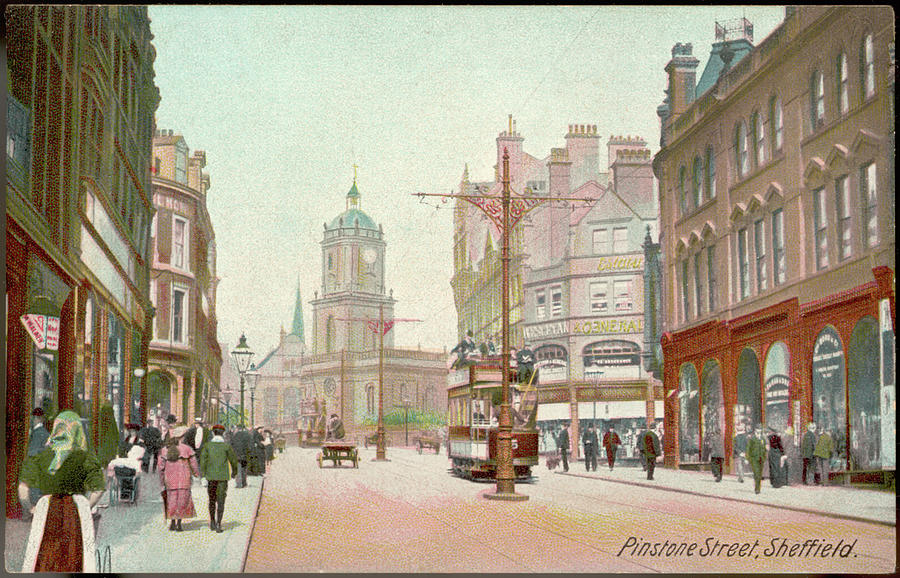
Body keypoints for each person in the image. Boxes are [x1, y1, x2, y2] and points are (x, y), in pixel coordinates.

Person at [18, 411, 106, 572]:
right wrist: (85, 505)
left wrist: (30, 508)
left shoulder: (41, 456)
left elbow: (23, 488)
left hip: (47, 510)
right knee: (74, 556)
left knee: (43, 553)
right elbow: (99, 489)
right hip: (74, 513)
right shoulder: (85, 458)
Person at [158, 425, 199, 531]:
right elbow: (194, 465)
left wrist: (162, 482)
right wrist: (196, 474)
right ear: (183, 436)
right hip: (184, 479)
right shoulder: (187, 449)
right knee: (182, 501)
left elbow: (161, 468)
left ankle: (172, 522)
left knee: (171, 500)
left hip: (170, 480)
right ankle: (179, 524)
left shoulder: (164, 450)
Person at [199, 424, 238, 533]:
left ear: (213, 433)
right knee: (221, 501)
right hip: (222, 478)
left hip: (210, 477)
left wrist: (203, 475)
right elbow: (234, 461)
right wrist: (234, 473)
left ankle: (211, 521)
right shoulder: (226, 446)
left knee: (211, 500)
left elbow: (203, 462)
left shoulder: (207, 446)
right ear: (223, 434)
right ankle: (219, 524)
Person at [746, 425, 767, 494]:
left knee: (760, 474)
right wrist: (747, 458)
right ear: (755, 431)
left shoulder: (762, 439)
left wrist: (765, 456)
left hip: (761, 458)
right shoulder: (752, 439)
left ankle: (758, 487)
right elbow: (748, 449)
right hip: (754, 459)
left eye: (760, 430)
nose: (759, 432)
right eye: (758, 430)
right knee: (756, 473)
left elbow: (764, 448)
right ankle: (757, 489)